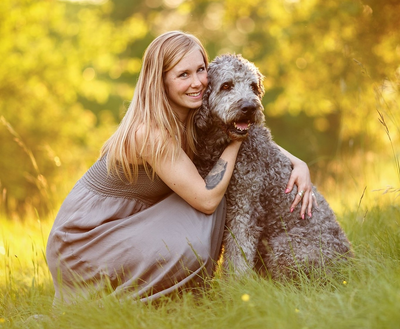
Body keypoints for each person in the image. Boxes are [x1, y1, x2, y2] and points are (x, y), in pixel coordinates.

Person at [46, 31, 313, 303]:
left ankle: (181, 294)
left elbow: (241, 127)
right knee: (213, 202)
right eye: (183, 75)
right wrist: (234, 143)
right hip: (85, 240)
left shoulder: (192, 112)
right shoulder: (149, 132)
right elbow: (207, 198)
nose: (197, 82)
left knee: (210, 205)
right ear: (160, 81)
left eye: (200, 70)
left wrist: (296, 161)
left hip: (129, 224)